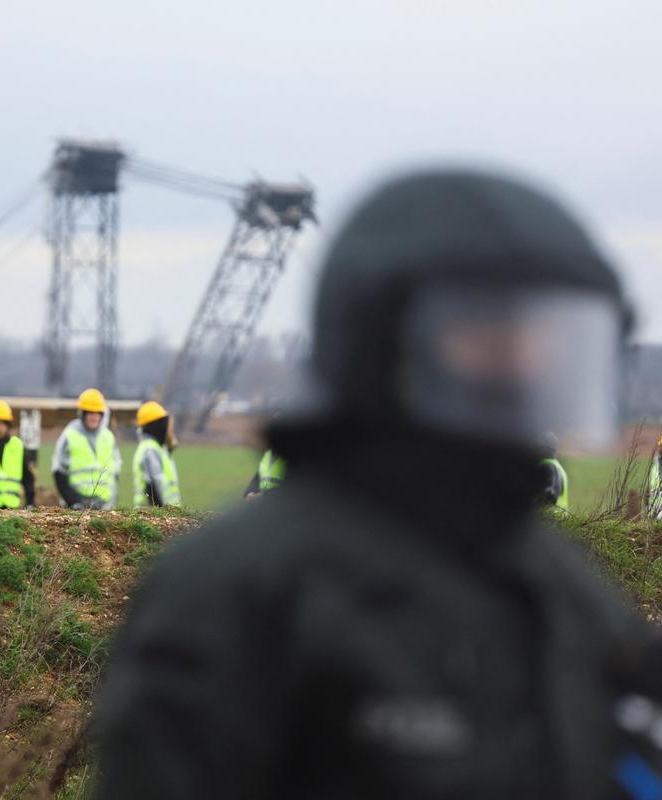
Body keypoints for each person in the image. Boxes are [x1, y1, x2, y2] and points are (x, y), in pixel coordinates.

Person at [95, 168, 662, 799]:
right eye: (488, 338)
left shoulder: (563, 590)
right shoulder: (239, 586)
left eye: (549, 340)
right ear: (382, 339)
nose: (524, 367)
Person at [53, 388, 121, 510]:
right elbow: (59, 472)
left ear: (102, 415)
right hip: (77, 505)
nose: (94, 417)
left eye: (97, 413)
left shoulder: (108, 437)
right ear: (82, 414)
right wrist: (73, 501)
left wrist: (112, 503)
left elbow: (115, 473)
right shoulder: (69, 435)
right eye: (90, 413)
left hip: (105, 506)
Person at [131, 401, 180, 508]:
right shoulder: (150, 449)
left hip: (163, 516)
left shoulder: (157, 448)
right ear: (155, 425)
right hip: (153, 516)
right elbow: (152, 485)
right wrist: (161, 513)